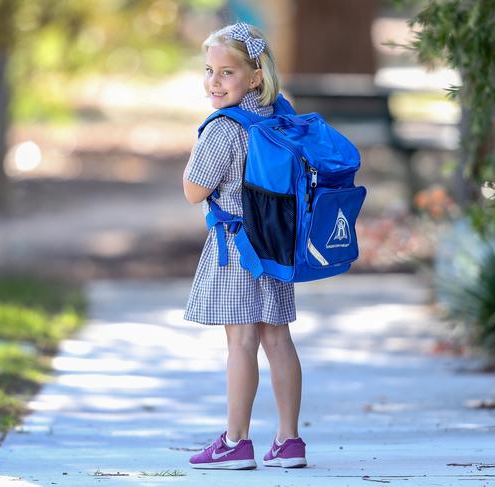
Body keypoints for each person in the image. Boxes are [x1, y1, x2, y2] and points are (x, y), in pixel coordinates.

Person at [182, 22, 307, 470]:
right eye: (209, 71)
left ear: (255, 76)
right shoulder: (279, 115)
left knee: (240, 343)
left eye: (226, 73)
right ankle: (289, 441)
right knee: (278, 338)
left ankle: (236, 442)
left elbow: (195, 190)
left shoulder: (223, 128)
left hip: (237, 249)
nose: (214, 82)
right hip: (276, 244)